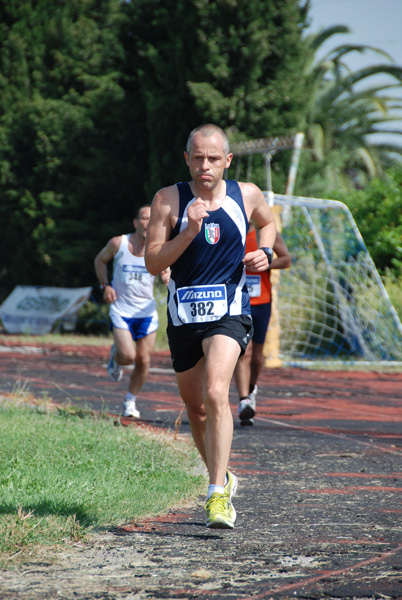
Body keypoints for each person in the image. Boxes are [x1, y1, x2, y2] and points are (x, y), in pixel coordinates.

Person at [144, 124, 277, 529]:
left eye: (214, 159)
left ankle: (216, 494)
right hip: (184, 316)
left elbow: (268, 223)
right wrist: (188, 231)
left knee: (218, 391)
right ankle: (222, 475)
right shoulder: (168, 200)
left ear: (227, 161)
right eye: (198, 158)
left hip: (230, 311)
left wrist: (265, 251)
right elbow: (153, 263)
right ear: (187, 159)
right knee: (197, 410)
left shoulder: (247, 194)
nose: (205, 166)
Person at [94, 205, 170, 419]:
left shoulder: (158, 247)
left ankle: (130, 400)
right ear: (136, 223)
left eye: (152, 218)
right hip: (122, 310)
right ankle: (115, 356)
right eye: (144, 218)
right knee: (128, 356)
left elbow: (166, 270)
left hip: (146, 311)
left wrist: (167, 277)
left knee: (144, 360)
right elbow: (99, 261)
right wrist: (105, 286)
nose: (148, 222)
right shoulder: (119, 243)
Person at [234, 228, 291, 425]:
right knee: (245, 352)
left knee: (257, 357)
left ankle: (250, 389)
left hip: (261, 301)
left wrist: (267, 264)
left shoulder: (265, 232)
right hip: (237, 301)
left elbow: (286, 259)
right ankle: (243, 401)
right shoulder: (233, 226)